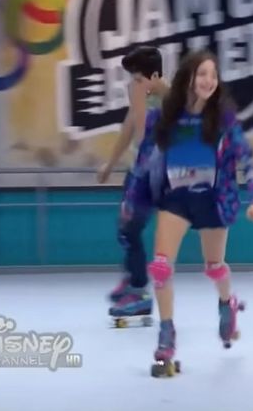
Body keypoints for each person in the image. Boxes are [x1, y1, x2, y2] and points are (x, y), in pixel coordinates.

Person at [124, 50, 253, 376]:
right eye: (202, 74)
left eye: (213, 75)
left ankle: (227, 304)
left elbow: (249, 160)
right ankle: (166, 335)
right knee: (160, 267)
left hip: (213, 199)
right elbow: (143, 162)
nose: (208, 81)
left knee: (214, 266)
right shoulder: (163, 117)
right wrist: (132, 199)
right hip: (176, 198)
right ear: (188, 78)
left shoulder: (223, 119)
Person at [99, 46, 168, 320]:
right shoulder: (144, 95)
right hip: (137, 172)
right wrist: (110, 164)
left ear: (155, 76)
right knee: (124, 228)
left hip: (154, 177)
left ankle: (139, 293)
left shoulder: (172, 100)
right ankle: (133, 279)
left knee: (131, 230)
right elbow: (128, 129)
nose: (134, 85)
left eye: (138, 79)